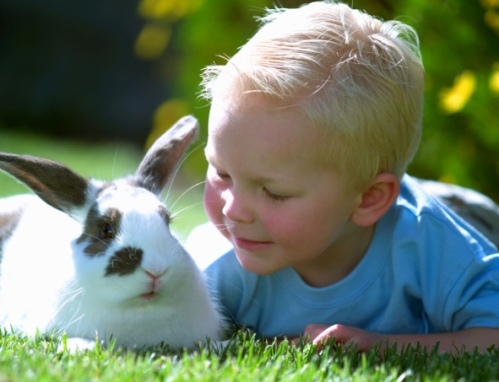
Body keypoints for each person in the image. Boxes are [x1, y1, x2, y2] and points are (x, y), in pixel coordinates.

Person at [186, 0, 499, 353]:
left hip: (466, 216)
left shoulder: (431, 245)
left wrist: (383, 346)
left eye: (273, 192)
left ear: (368, 198)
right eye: (222, 173)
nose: (232, 210)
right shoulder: (214, 265)